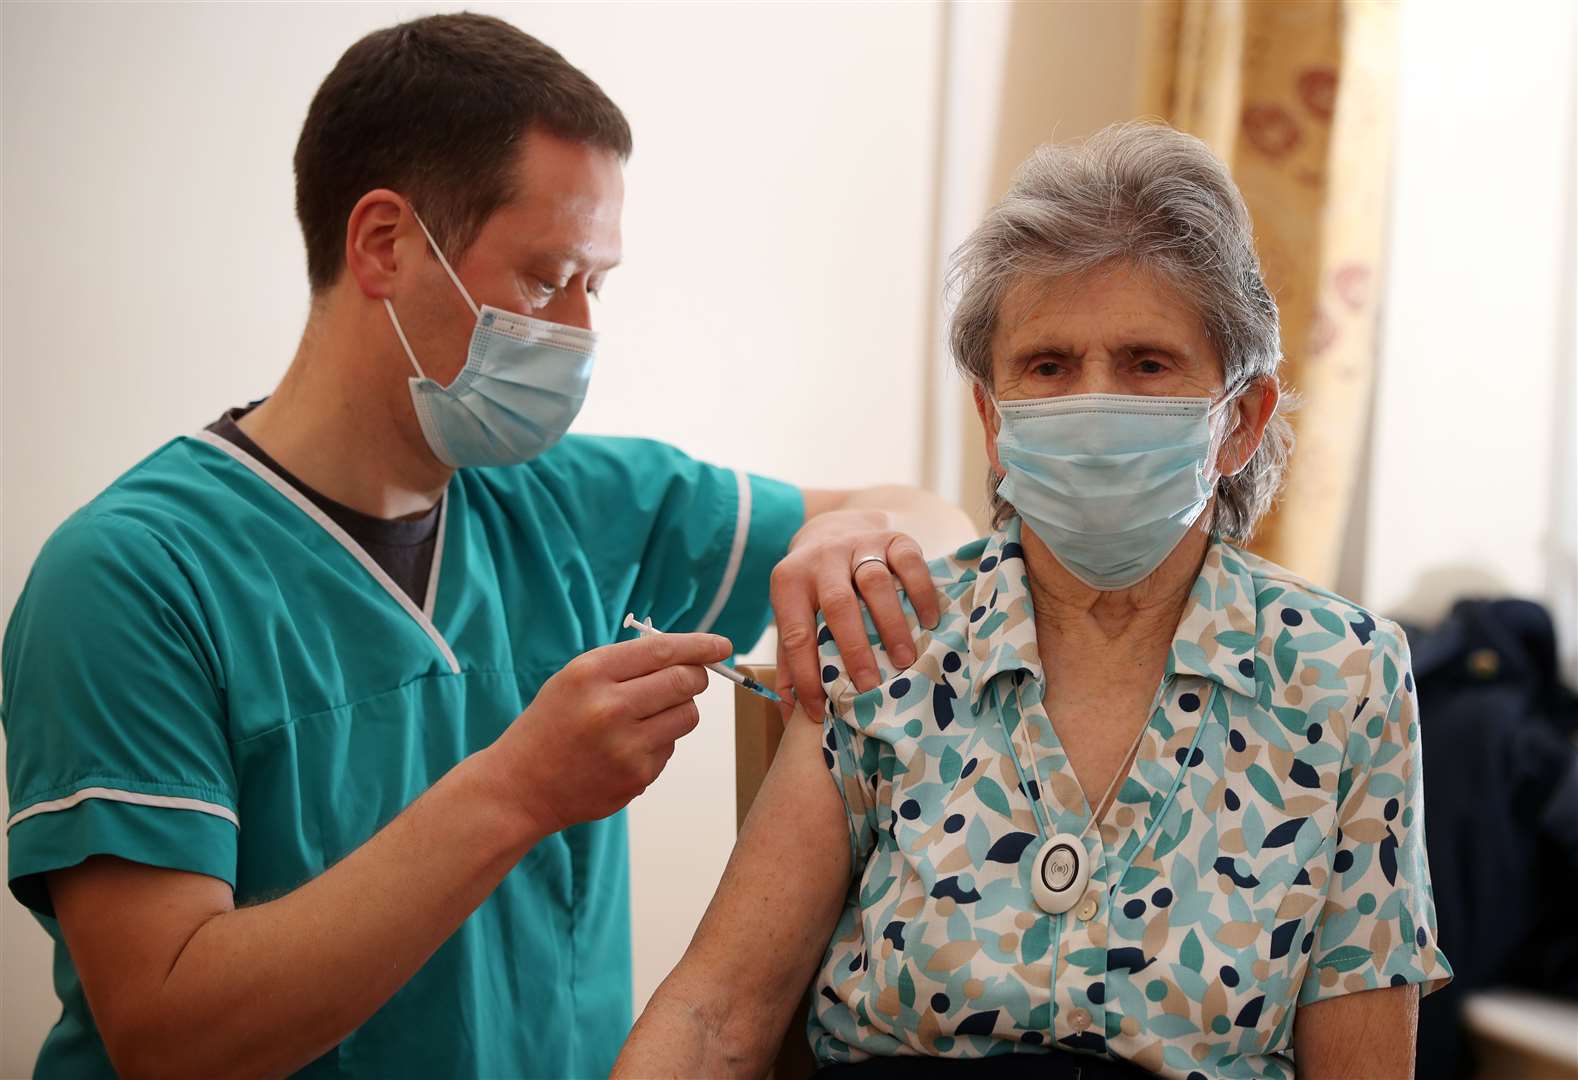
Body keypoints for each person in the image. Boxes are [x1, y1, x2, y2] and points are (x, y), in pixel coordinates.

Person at [0, 14, 971, 1078]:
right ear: (384, 243)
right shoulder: (132, 579)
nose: (583, 331)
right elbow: (167, 1032)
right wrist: (517, 790)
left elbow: (931, 519)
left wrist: (848, 537)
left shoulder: (568, 502)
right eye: (548, 276)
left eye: (596, 283)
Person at [616, 123, 1452, 1079]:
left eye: (1147, 364)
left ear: (1240, 421)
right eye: (1048, 367)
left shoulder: (1341, 674)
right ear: (993, 417)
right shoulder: (894, 638)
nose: (1093, 405)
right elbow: (717, 1015)